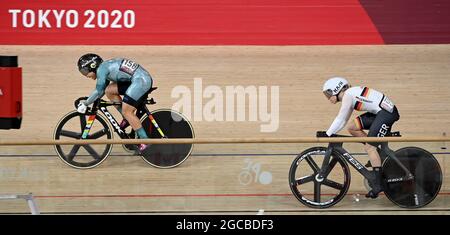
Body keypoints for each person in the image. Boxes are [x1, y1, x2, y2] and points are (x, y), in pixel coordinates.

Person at [320, 77, 400, 198]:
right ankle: (376, 153)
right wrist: (329, 132)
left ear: (336, 89)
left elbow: (340, 119)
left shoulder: (348, 95)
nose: (327, 97)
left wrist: (327, 134)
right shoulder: (351, 94)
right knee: (352, 127)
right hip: (381, 112)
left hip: (386, 114)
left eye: (328, 93)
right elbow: (344, 121)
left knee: (369, 148)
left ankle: (378, 185)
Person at [76, 53, 153, 152]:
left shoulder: (101, 70)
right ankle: (127, 119)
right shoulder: (104, 67)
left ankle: (145, 140)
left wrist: (86, 103)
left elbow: (98, 91)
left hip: (141, 81)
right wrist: (90, 100)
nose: (85, 75)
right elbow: (103, 90)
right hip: (138, 79)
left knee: (127, 111)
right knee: (109, 90)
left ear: (93, 66)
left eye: (85, 71)